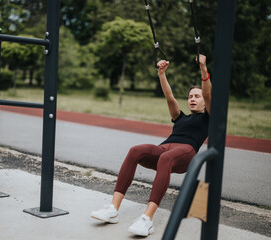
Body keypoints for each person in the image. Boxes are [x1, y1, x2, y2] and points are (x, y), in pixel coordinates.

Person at [91, 54, 212, 237]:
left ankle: (147, 219)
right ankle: (112, 208)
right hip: (165, 148)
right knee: (135, 151)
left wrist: (203, 68)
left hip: (185, 153)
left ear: (204, 100)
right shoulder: (181, 118)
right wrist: (161, 74)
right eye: (190, 97)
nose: (192, 99)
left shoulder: (208, 117)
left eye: (197, 96)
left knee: (166, 157)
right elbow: (169, 97)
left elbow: (209, 93)